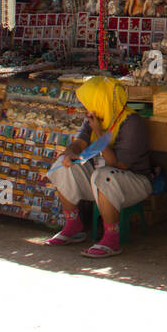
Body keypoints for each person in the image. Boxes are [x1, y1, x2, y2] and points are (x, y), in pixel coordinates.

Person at [44, 76, 152, 257]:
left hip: (133, 182)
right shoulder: (94, 117)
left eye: (91, 102)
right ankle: (73, 227)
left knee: (104, 175)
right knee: (63, 166)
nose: (88, 108)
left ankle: (111, 239)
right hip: (100, 178)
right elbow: (79, 143)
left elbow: (117, 164)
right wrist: (70, 153)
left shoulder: (132, 123)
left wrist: (99, 132)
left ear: (101, 101)